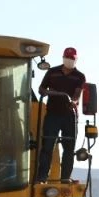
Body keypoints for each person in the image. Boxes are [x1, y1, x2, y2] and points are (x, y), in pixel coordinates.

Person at [36, 47, 86, 183]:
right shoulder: (52, 72)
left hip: (69, 116)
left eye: (71, 59)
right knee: (47, 145)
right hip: (52, 114)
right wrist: (50, 93)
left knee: (69, 148)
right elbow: (41, 89)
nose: (69, 60)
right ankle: (42, 177)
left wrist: (73, 101)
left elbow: (77, 95)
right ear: (63, 58)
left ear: (75, 60)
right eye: (67, 58)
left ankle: (65, 178)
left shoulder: (80, 76)